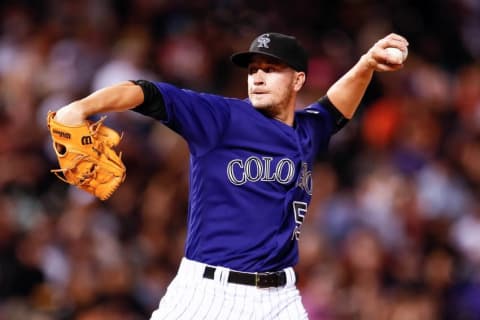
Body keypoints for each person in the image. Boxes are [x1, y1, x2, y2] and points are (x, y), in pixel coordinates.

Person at [53, 32, 408, 319]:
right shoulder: (221, 118)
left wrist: (366, 64)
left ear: (298, 79)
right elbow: (145, 92)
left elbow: (335, 107)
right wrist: (81, 107)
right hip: (208, 293)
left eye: (271, 68)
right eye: (254, 69)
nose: (258, 76)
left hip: (280, 298)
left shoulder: (308, 130)